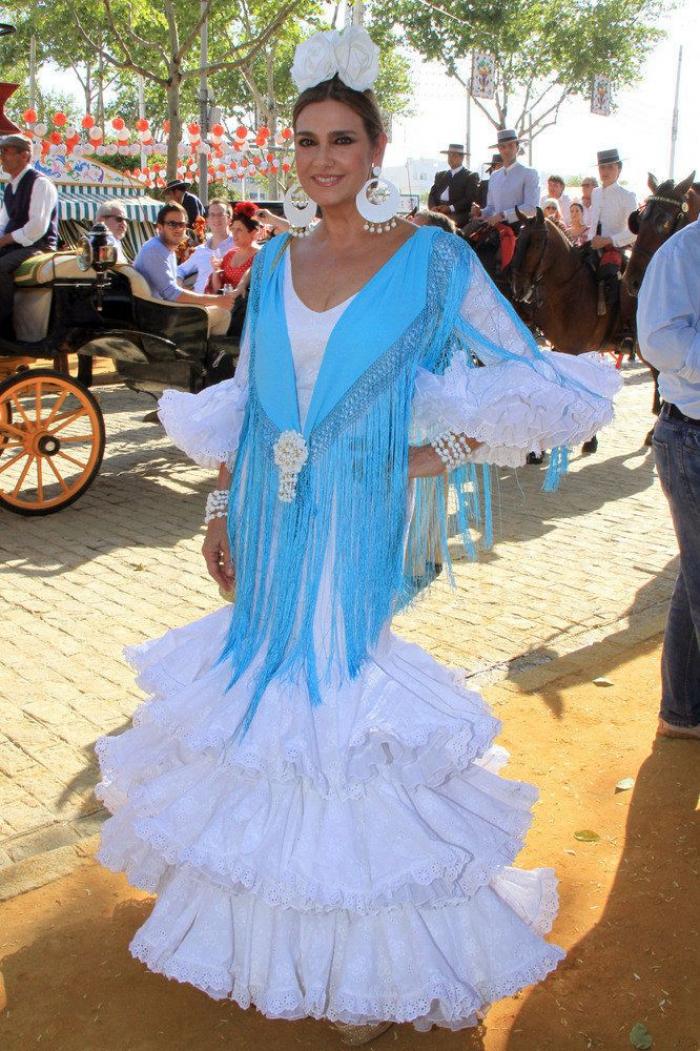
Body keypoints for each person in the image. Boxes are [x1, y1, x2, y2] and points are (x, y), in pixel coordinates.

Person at [94, 24, 619, 1046]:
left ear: (377, 150)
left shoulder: (429, 258)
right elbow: (249, 399)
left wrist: (429, 456)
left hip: (352, 519)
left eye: (341, 140)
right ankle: (271, 942)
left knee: (336, 714)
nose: (321, 159)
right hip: (267, 513)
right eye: (305, 141)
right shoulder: (277, 257)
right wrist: (215, 507)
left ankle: (377, 956)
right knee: (270, 705)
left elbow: (522, 373)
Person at [637, 221, 700, 741]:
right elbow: (658, 340)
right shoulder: (683, 252)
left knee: (694, 574)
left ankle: (682, 710)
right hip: (692, 436)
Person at [133, 202, 234, 335]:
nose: (178, 229)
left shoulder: (164, 249)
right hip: (160, 319)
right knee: (223, 314)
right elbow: (172, 294)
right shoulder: (154, 249)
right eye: (172, 224)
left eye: (182, 224)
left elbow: (177, 280)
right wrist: (216, 300)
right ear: (160, 227)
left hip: (162, 311)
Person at [0, 133, 58, 332]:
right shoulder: (9, 188)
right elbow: (3, 224)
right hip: (15, 246)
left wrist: (6, 239)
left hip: (39, 246)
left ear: (24, 156)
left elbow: (37, 227)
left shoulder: (40, 183)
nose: (2, 157)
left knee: (1, 267)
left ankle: (6, 330)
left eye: (6, 152)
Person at [587, 149, 636, 310]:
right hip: (592, 247)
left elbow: (633, 232)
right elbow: (594, 224)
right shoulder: (595, 192)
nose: (605, 171)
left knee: (612, 281)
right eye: (602, 167)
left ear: (619, 169)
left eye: (610, 167)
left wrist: (608, 240)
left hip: (617, 248)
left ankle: (622, 327)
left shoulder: (628, 195)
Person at [470, 128, 540, 230]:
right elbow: (491, 207)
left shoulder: (529, 173)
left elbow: (531, 209)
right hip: (497, 228)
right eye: (503, 147)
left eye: (511, 145)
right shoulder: (494, 176)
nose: (507, 150)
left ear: (517, 147)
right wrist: (481, 212)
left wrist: (503, 215)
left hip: (521, 228)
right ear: (499, 149)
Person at [176, 197, 234, 293]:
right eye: (212, 215)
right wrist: (180, 288)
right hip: (197, 304)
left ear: (229, 220)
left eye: (220, 214)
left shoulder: (238, 246)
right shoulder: (200, 250)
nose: (216, 218)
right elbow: (179, 270)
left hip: (226, 303)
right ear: (207, 221)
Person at [209, 201, 262, 293]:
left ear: (253, 232)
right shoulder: (230, 254)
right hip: (225, 303)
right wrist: (215, 272)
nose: (234, 234)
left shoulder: (261, 255)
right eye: (233, 229)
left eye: (239, 230)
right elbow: (216, 289)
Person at [427, 143, 480, 228]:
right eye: (449, 155)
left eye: (454, 156)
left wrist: (450, 208)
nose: (451, 158)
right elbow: (432, 195)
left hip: (458, 215)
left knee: (448, 224)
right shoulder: (440, 175)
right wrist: (433, 207)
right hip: (438, 212)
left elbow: (469, 199)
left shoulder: (470, 176)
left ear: (461, 158)